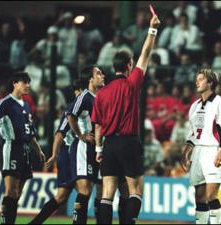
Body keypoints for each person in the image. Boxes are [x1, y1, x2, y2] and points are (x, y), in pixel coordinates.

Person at [92, 14, 160, 224]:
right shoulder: (131, 85)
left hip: (109, 144)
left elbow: (98, 125)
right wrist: (152, 30)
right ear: (129, 66)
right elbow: (146, 53)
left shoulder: (102, 93)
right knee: (135, 190)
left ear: (114, 67)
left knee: (107, 193)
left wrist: (98, 149)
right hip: (128, 142)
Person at [181, 69, 221, 224]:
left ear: (210, 83)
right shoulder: (194, 106)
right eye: (197, 79)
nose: (197, 82)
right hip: (198, 151)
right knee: (199, 197)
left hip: (214, 150)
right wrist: (186, 151)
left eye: (201, 79)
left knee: (211, 195)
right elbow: (192, 133)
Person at [0, 72, 46, 224]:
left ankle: (10, 221)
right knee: (10, 190)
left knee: (18, 193)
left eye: (28, 82)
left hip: (26, 150)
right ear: (15, 83)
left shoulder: (27, 105)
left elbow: (30, 132)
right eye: (24, 82)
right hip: (12, 147)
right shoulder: (6, 102)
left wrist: (39, 150)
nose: (28, 85)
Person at [28, 79, 84, 224]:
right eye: (80, 90)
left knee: (62, 196)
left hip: (73, 154)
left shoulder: (85, 105)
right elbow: (60, 134)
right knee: (84, 191)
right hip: (70, 154)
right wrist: (54, 155)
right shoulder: (73, 108)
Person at [66, 66, 105, 224]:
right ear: (90, 79)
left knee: (101, 192)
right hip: (83, 148)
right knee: (85, 189)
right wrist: (80, 135)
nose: (102, 76)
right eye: (98, 73)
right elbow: (71, 114)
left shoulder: (100, 98)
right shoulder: (84, 96)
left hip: (98, 148)